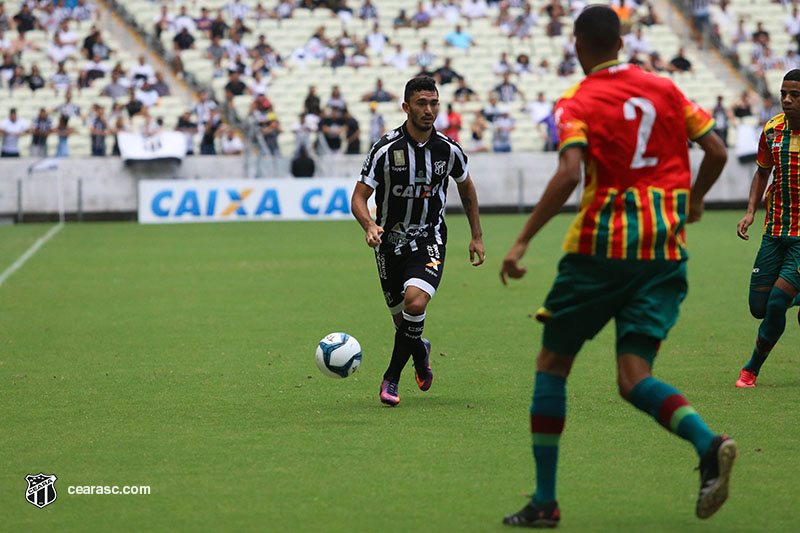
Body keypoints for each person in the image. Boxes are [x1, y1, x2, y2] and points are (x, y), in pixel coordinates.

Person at [499, 6, 734, 527]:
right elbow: (716, 149)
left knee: (552, 366)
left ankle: (545, 502)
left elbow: (568, 172)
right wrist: (694, 202)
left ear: (578, 44)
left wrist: (520, 240)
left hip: (601, 251)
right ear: (622, 43)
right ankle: (707, 442)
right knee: (633, 378)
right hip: (664, 252)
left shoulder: (577, 100)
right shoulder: (668, 90)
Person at [351, 76, 485, 407]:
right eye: (422, 104)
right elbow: (358, 196)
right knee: (403, 323)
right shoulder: (385, 149)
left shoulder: (448, 149)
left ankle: (391, 379)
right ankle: (420, 349)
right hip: (388, 242)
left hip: (430, 236)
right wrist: (369, 224)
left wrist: (477, 236)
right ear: (406, 107)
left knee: (415, 304)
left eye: (434, 103)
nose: (429, 110)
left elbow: (466, 187)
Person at [734, 69, 800, 388]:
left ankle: (751, 369)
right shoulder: (772, 129)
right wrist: (750, 212)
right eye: (784, 94)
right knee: (759, 308)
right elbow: (762, 173)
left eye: (795, 95)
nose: (787, 100)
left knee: (776, 302)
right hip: (774, 233)